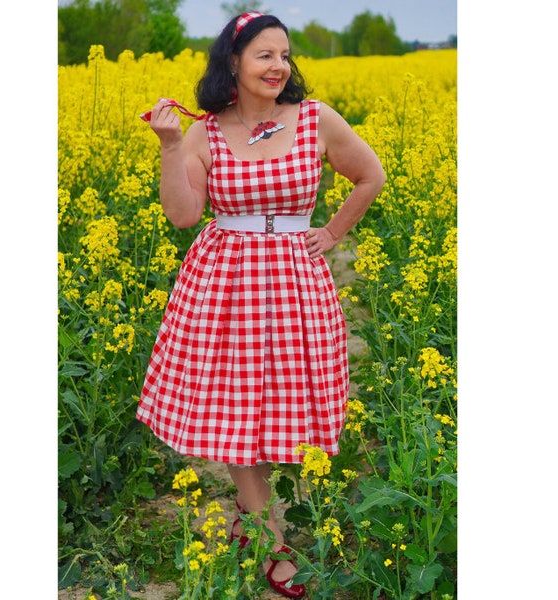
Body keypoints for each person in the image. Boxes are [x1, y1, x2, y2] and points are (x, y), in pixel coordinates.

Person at [136, 12, 386, 598]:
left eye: (285, 56)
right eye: (264, 55)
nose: (279, 67)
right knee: (235, 406)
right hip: (223, 282)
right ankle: (270, 537)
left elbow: (369, 175)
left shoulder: (313, 119)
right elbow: (183, 215)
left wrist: (331, 232)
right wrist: (172, 145)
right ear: (233, 62)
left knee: (278, 404)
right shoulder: (203, 132)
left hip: (294, 281)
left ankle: (254, 519)